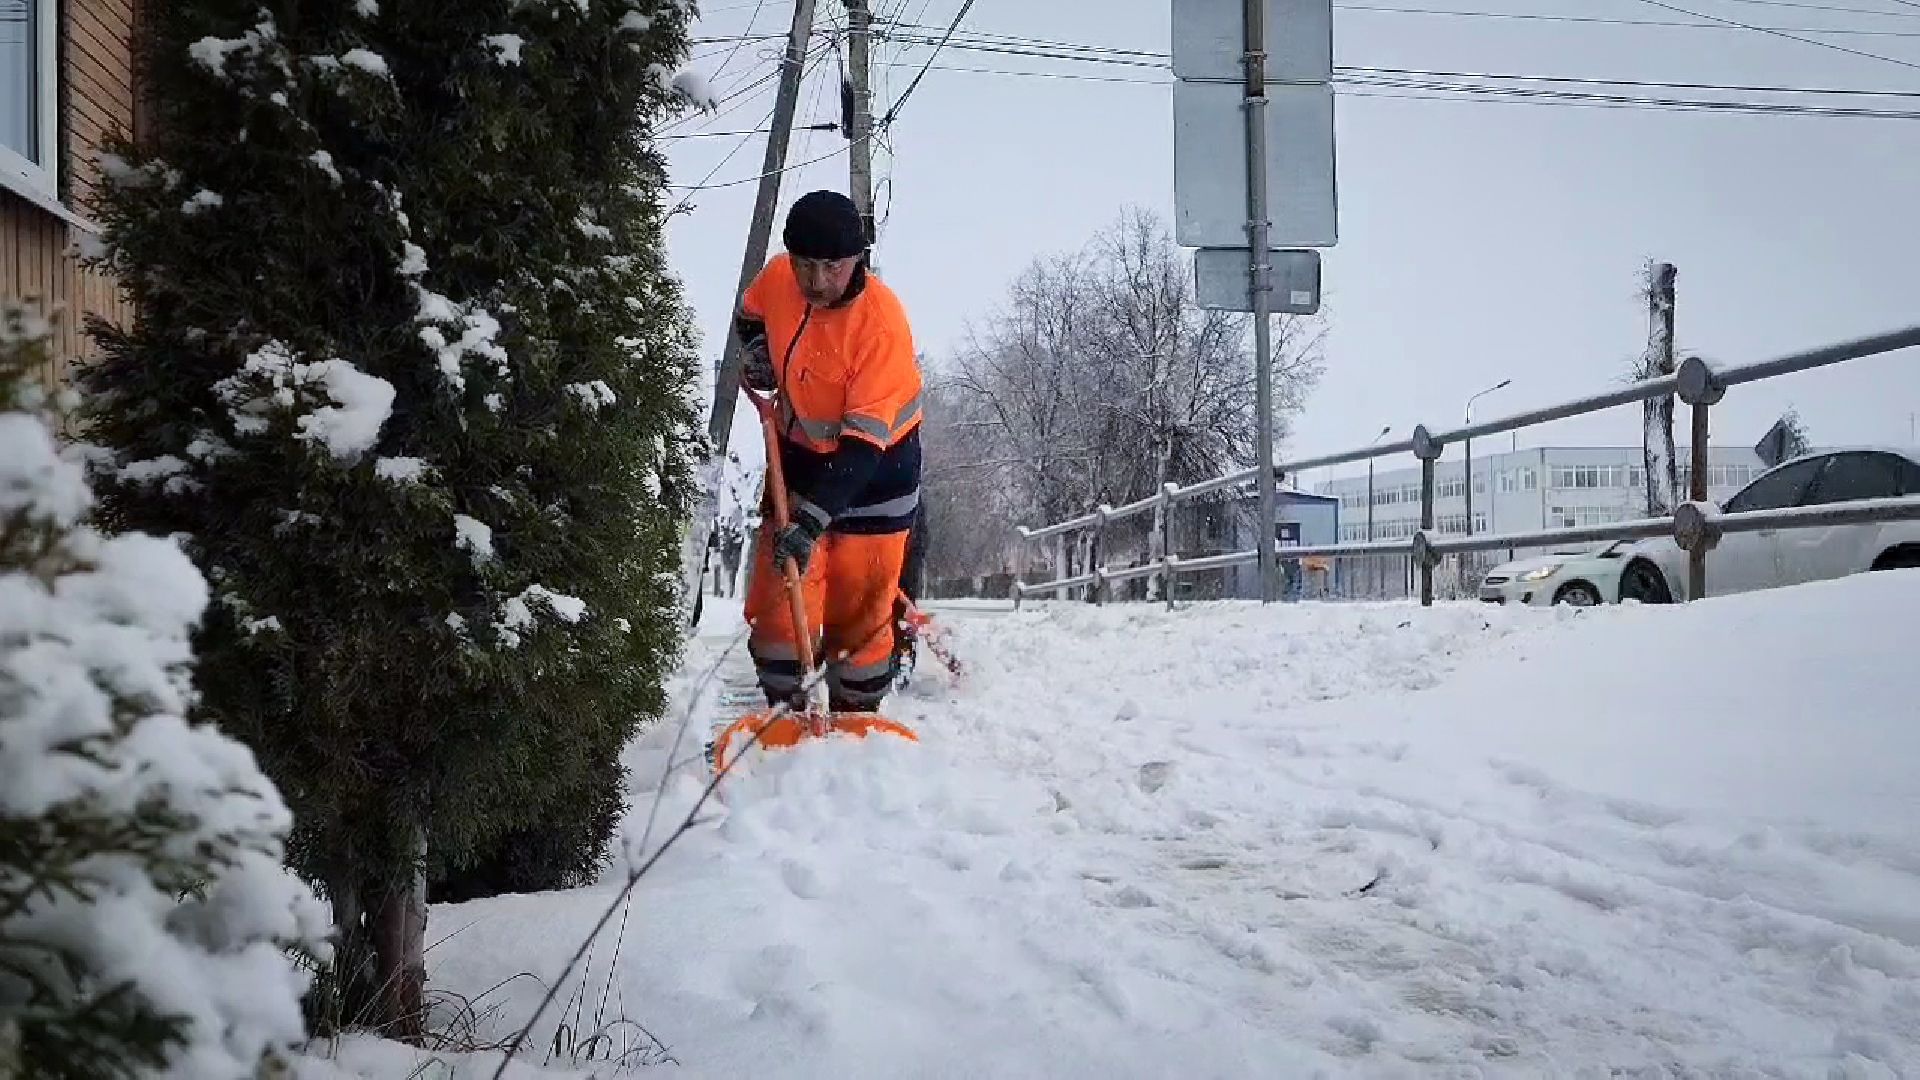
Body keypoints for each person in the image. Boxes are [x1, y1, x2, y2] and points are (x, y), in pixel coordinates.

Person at [735, 190, 924, 713]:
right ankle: (786, 708)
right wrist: (755, 353)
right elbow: (750, 313)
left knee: (857, 613)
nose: (816, 282)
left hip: (876, 476)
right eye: (804, 265)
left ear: (857, 260)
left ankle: (855, 715)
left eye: (831, 267)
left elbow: (863, 452)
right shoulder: (777, 280)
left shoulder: (880, 327)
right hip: (799, 458)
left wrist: (813, 521)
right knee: (778, 604)